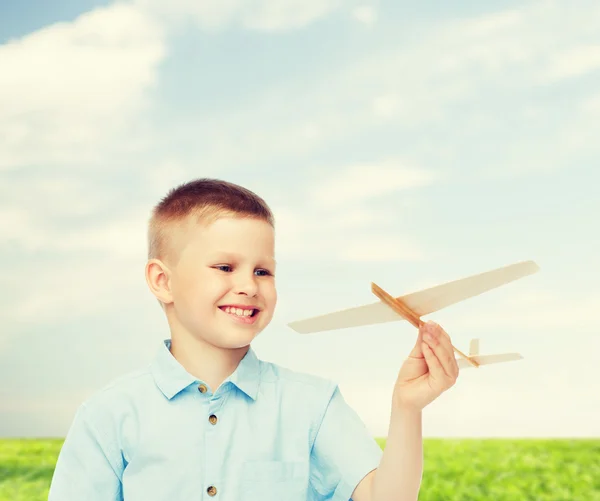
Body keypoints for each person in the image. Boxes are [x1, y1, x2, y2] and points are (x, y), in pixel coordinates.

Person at [48, 178, 459, 501]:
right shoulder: (108, 415)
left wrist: (407, 408)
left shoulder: (313, 405)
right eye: (225, 267)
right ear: (162, 280)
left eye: (263, 271)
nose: (248, 285)